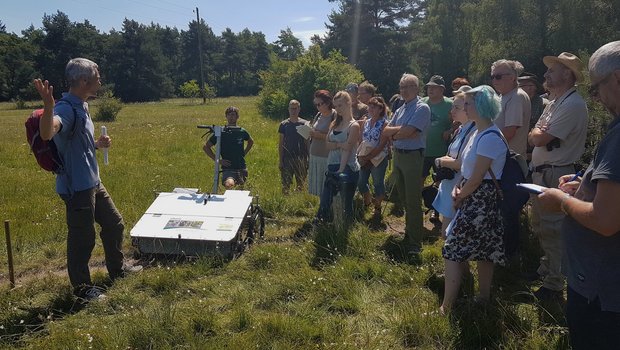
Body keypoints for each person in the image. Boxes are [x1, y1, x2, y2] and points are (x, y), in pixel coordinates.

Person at [33, 58, 141, 301]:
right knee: (83, 238)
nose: (100, 80)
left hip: (93, 182)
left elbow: (74, 145)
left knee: (115, 224)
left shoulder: (82, 105)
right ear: (84, 81)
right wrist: (48, 107)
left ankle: (117, 269)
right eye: (97, 76)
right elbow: (49, 132)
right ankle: (82, 289)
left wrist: (95, 144)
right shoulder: (65, 108)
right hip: (76, 187)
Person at [538, 41, 620, 349]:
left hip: (602, 296)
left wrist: (562, 201)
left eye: (597, 89)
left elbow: (606, 220)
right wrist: (585, 186)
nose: (597, 99)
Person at [440, 85, 507, 314]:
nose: (463, 107)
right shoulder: (478, 132)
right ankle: (483, 297)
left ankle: (447, 306)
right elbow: (468, 171)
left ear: (480, 105)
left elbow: (478, 178)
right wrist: (458, 190)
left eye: (467, 103)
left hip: (480, 200)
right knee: (484, 250)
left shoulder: (489, 137)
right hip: (473, 196)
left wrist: (460, 195)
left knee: (452, 248)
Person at [527, 52, 588, 301]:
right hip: (544, 173)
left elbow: (539, 138)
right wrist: (537, 133)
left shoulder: (573, 104)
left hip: (557, 174)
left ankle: (554, 284)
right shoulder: (555, 102)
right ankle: (547, 269)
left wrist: (538, 133)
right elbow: (534, 133)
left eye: (553, 70)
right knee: (540, 225)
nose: (546, 74)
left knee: (553, 229)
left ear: (567, 74)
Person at [382, 73, 431, 254]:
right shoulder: (400, 109)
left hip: (412, 157)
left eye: (408, 86)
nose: (404, 90)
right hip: (399, 156)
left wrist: (395, 133)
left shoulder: (422, 108)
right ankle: (409, 233)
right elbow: (386, 130)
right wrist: (398, 132)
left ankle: (415, 243)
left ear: (416, 88)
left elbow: (410, 132)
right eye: (402, 87)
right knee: (403, 199)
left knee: (413, 200)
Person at [490, 59, 531, 258]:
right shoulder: (504, 97)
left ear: (513, 78)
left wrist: (486, 145)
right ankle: (502, 250)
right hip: (501, 160)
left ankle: (509, 254)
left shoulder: (516, 97)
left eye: (499, 76)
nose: (494, 80)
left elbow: (510, 131)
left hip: (510, 162)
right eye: (493, 77)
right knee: (501, 209)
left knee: (508, 210)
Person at [432, 86, 476, 238]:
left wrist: (440, 161)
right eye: (452, 106)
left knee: (449, 234)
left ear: (468, 109)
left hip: (458, 187)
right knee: (448, 234)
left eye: (456, 107)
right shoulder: (460, 129)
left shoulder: (473, 132)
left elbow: (460, 163)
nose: (452, 111)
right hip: (450, 185)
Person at [316, 91, 361, 224]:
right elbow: (328, 145)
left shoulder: (354, 125)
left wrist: (341, 170)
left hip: (348, 167)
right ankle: (321, 224)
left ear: (349, 103)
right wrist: (339, 144)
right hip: (332, 164)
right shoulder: (334, 124)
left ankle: (345, 230)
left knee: (345, 203)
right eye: (336, 106)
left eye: (340, 105)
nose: (338, 109)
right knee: (325, 200)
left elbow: (348, 149)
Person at [421, 75, 454, 224]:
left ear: (442, 89)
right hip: (422, 150)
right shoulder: (422, 103)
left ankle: (436, 211)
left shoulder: (449, 104)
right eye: (429, 87)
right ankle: (418, 206)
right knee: (418, 180)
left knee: (440, 183)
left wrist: (450, 130)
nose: (430, 89)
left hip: (441, 153)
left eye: (434, 87)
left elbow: (459, 120)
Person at [203, 106, 254, 190]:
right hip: (228, 168)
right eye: (229, 115)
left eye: (233, 115)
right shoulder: (221, 132)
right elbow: (206, 147)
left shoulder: (241, 131)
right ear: (226, 116)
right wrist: (218, 160)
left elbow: (251, 141)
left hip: (241, 167)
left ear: (237, 117)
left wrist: (244, 153)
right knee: (229, 184)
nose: (231, 117)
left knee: (240, 191)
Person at [357, 97, 390, 218]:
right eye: (369, 106)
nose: (370, 109)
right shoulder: (365, 121)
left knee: (378, 183)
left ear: (381, 109)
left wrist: (370, 156)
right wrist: (362, 155)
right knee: (361, 181)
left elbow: (382, 143)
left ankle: (378, 207)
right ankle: (367, 200)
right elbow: (361, 139)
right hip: (364, 156)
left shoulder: (385, 123)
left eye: (373, 107)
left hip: (379, 158)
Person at [278, 100, 309, 194]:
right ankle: (285, 202)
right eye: (291, 108)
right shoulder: (283, 124)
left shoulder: (304, 124)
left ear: (299, 109)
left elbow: (307, 142)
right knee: (285, 184)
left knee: (301, 183)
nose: (293, 111)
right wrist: (280, 160)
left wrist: (309, 158)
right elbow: (281, 144)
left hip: (301, 157)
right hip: (287, 158)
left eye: (295, 108)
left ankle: (299, 202)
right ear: (288, 109)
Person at [308, 90, 335, 196]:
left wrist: (317, 135)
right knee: (319, 186)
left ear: (328, 103)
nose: (318, 107)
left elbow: (335, 136)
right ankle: (322, 208)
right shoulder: (318, 115)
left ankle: (329, 209)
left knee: (327, 185)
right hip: (315, 154)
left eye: (320, 104)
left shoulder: (335, 115)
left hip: (326, 157)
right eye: (316, 104)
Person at [518, 73, 550, 162]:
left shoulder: (544, 104)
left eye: (531, 85)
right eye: (524, 85)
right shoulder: (514, 105)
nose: (529, 88)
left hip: (538, 154)